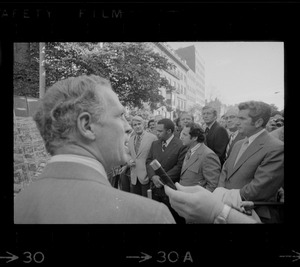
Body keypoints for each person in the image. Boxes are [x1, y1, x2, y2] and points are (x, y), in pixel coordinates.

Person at [14, 75, 175, 224]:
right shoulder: (151, 216)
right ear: (87, 126)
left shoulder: (19, 206)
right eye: (120, 116)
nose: (128, 127)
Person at [218, 101, 284, 223]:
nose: (237, 122)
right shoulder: (237, 144)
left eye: (242, 118)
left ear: (258, 122)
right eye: (237, 117)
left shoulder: (276, 148)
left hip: (254, 214)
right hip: (227, 211)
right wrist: (220, 193)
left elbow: (260, 188)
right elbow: (225, 171)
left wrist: (225, 196)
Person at [146, 118, 188, 223]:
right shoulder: (155, 144)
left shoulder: (181, 144)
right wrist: (153, 177)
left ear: (169, 131)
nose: (157, 133)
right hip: (155, 188)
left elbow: (179, 167)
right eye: (157, 130)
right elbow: (149, 161)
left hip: (170, 189)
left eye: (160, 131)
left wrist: (161, 178)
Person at [164, 183, 260, 223]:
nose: (181, 138)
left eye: (183, 137)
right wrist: (221, 194)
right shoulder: (237, 145)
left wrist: (217, 211)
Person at [179, 122, 221, 192]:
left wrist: (198, 200)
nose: (180, 137)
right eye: (181, 133)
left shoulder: (208, 156)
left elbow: (213, 185)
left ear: (195, 137)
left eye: (184, 135)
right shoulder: (188, 150)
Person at [127, 115, 157, 197]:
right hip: (134, 177)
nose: (137, 126)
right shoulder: (130, 139)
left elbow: (156, 157)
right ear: (132, 127)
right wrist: (129, 161)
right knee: (137, 202)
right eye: (135, 125)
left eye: (139, 124)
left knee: (147, 203)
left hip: (147, 177)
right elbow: (128, 154)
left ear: (143, 124)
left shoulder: (153, 138)